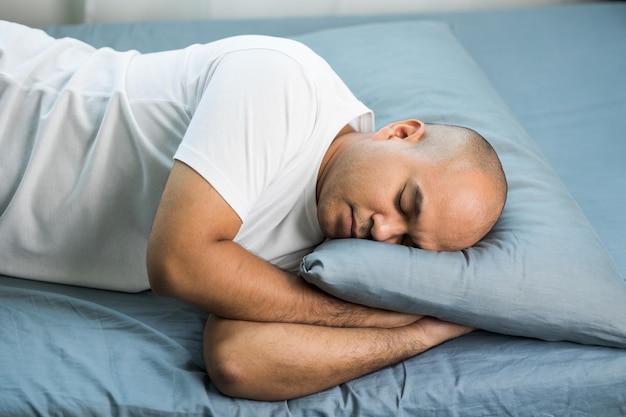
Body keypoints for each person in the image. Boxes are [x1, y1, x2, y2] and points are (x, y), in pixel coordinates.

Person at [0, 21, 507, 401]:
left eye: (408, 244)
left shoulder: (334, 252)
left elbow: (240, 362)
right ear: (399, 133)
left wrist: (420, 335)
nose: (384, 231)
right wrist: (358, 316)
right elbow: (178, 262)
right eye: (404, 202)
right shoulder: (284, 83)